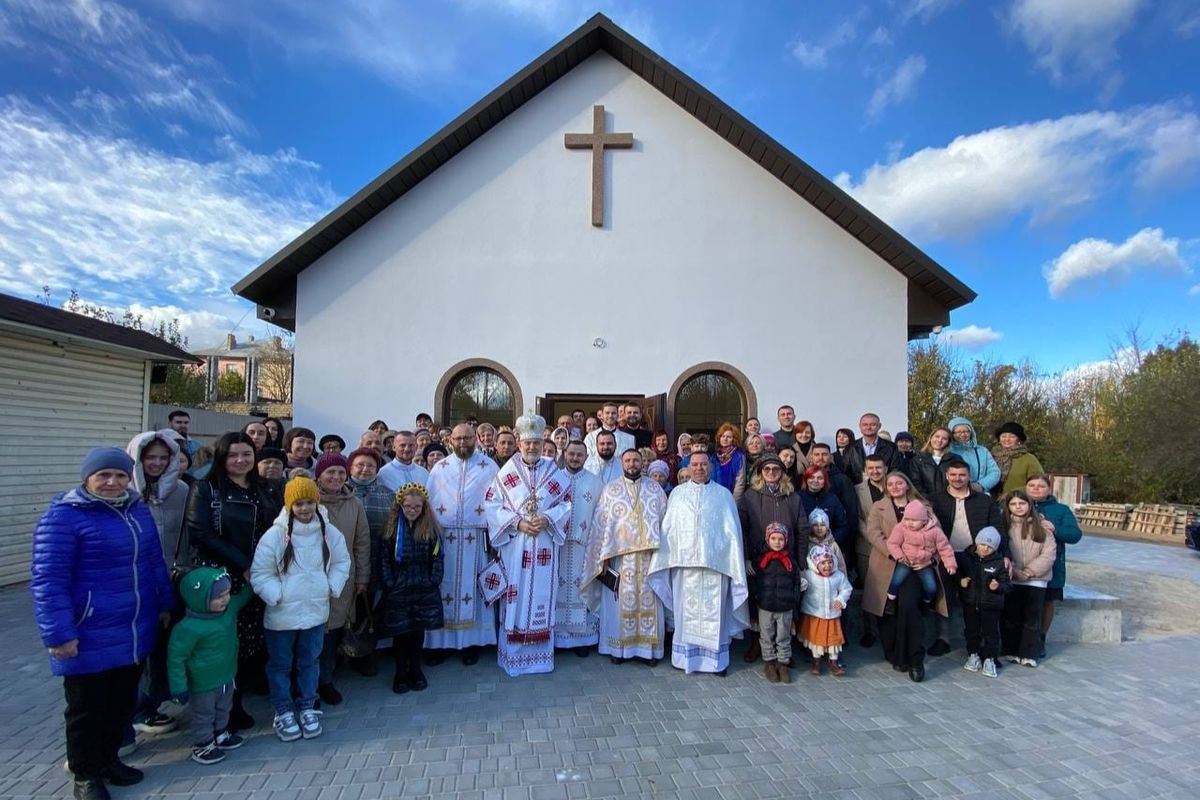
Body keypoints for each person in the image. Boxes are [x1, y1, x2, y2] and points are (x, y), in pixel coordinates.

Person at [31, 447, 174, 800]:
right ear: (88, 479)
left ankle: (109, 760)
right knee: (85, 709)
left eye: (120, 476)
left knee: (121, 702)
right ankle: (85, 774)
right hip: (88, 631)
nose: (113, 482)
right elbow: (48, 581)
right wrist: (59, 634)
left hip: (132, 627)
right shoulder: (64, 517)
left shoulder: (136, 510)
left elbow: (154, 562)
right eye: (104, 476)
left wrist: (164, 603)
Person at [184, 431, 282, 731]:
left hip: (258, 575)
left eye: (247, 454)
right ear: (222, 458)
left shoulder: (263, 487)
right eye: (233, 455)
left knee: (249, 644)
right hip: (222, 579)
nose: (240, 460)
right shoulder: (207, 488)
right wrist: (242, 564)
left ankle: (236, 702)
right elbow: (199, 533)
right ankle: (218, 712)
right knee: (222, 646)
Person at [251, 477, 350, 742]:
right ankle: (283, 710)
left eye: (309, 502)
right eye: (299, 504)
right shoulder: (275, 535)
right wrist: (277, 595)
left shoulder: (329, 532)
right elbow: (261, 572)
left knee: (309, 661)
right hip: (282, 615)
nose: (305, 509)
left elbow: (342, 561)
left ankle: (307, 704)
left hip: (315, 611)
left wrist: (330, 586)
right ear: (289, 505)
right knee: (281, 664)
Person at [484, 412, 572, 676]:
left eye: (536, 443)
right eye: (526, 443)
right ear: (519, 443)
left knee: (543, 594)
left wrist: (547, 518)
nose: (531, 447)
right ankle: (513, 655)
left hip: (544, 542)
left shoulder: (552, 471)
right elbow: (491, 504)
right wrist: (518, 523)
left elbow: (567, 503)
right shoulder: (506, 472)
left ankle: (540, 657)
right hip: (516, 545)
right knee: (516, 596)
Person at [649, 451, 749, 675]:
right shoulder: (677, 494)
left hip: (717, 565)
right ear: (689, 467)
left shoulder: (724, 495)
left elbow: (732, 533)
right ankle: (685, 659)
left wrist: (731, 562)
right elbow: (669, 530)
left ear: (710, 467)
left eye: (704, 464)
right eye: (695, 464)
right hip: (684, 566)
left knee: (717, 614)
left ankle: (716, 663)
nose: (699, 468)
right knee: (686, 613)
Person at [125, 431, 187, 736]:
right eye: (151, 457)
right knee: (133, 652)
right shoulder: (123, 493)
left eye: (164, 458)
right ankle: (130, 712)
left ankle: (149, 707)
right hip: (132, 585)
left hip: (169, 583)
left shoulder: (182, 491)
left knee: (159, 648)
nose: (157, 463)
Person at [581, 449, 668, 665]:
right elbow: (601, 525)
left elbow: (666, 524)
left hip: (649, 558)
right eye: (628, 460)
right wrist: (602, 557)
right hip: (620, 558)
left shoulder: (655, 489)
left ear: (642, 463)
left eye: (636, 460)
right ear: (622, 462)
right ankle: (618, 650)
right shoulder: (611, 490)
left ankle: (649, 652)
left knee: (650, 601)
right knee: (619, 603)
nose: (632, 463)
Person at [425, 424, 499, 664]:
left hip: (476, 539)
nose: (462, 442)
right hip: (445, 539)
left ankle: (472, 643)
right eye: (458, 438)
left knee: (474, 590)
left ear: (475, 439)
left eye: (467, 437)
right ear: (450, 441)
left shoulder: (488, 466)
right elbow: (429, 502)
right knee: (443, 588)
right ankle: (440, 645)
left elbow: (498, 501)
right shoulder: (439, 468)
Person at [167, 567, 251, 764]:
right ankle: (203, 744)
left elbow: (242, 598)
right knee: (203, 713)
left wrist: (251, 584)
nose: (225, 599)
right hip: (202, 681)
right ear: (199, 598)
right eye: (218, 597)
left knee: (224, 707)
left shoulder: (228, 611)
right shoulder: (187, 628)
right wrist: (179, 687)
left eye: (226, 594)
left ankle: (220, 733)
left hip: (227, 674)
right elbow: (176, 659)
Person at [862, 470, 940, 682]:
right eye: (890, 484)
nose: (895, 487)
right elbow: (874, 533)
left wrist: (924, 556)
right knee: (888, 611)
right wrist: (894, 552)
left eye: (899, 483)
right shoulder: (879, 507)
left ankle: (915, 658)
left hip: (916, 566)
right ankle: (895, 653)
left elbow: (936, 533)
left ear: (907, 485)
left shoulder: (923, 507)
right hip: (887, 563)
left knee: (908, 607)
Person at [928, 461, 1006, 656]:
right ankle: (943, 638)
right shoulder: (935, 500)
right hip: (946, 555)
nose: (957, 478)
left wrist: (1005, 557)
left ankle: (978, 641)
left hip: (977, 557)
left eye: (962, 475)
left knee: (977, 599)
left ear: (969, 476)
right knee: (944, 597)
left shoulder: (984, 501)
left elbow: (998, 529)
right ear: (947, 476)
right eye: (953, 474)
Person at [737, 455, 808, 664]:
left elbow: (802, 529)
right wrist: (747, 558)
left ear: (782, 473)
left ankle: (784, 650)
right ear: (760, 473)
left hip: (787, 560)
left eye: (775, 470)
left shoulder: (792, 497)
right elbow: (742, 529)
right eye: (766, 469)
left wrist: (801, 563)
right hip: (759, 561)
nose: (770, 473)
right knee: (759, 601)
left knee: (786, 602)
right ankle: (757, 644)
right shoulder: (750, 497)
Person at [313, 452, 371, 703]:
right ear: (319, 475)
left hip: (344, 577)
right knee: (312, 631)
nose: (336, 477)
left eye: (340, 473)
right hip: (312, 577)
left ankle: (325, 680)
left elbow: (361, 542)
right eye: (330, 473)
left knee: (334, 629)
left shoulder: (353, 503)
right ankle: (307, 684)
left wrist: (362, 577)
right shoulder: (308, 500)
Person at [376, 483, 444, 693]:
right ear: (400, 506)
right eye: (408, 506)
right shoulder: (391, 529)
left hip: (423, 588)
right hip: (399, 589)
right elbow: (384, 560)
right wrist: (389, 584)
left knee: (417, 632)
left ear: (423, 508)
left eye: (417, 507)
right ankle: (400, 672)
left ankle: (416, 669)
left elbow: (437, 557)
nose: (412, 511)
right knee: (401, 633)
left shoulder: (430, 529)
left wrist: (433, 580)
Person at [1025, 474, 1083, 656]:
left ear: (1049, 489)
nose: (1035, 489)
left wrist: (1056, 529)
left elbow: (1075, 535)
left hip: (1051, 565)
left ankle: (1041, 638)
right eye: (1032, 485)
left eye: (1040, 486)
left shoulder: (1060, 509)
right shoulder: (1016, 504)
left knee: (1047, 602)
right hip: (1022, 562)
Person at [346, 446, 392, 669]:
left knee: (368, 610)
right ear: (350, 467)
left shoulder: (386, 493)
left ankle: (365, 653)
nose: (365, 470)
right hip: (344, 563)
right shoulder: (342, 490)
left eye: (370, 466)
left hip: (374, 560)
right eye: (360, 465)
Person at [556, 441, 603, 654]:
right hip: (559, 546)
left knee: (581, 589)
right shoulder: (554, 479)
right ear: (565, 454)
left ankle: (583, 640)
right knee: (559, 589)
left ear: (586, 457)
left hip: (584, 547)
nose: (575, 458)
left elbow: (601, 516)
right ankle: (558, 638)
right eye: (571, 454)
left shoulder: (595, 482)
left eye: (579, 455)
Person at [1001, 490, 1056, 668]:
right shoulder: (1004, 527)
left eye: (1022, 503)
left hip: (1036, 580)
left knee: (1032, 618)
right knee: (1012, 616)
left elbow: (1048, 554)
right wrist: (1015, 571)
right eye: (1014, 504)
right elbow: (1002, 552)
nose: (1018, 507)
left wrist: (1029, 571)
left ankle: (1029, 653)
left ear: (1029, 505)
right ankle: (1012, 650)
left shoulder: (1042, 527)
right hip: (1013, 578)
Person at [754, 522, 806, 683]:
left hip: (785, 606)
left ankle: (783, 663)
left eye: (780, 539)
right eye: (774, 538)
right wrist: (758, 597)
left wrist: (794, 600)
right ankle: (769, 662)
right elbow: (756, 581)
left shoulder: (790, 561)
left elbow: (796, 583)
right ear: (767, 540)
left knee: (783, 636)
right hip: (766, 605)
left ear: (786, 540)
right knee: (766, 635)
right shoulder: (762, 560)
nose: (777, 542)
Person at [957, 527, 1010, 679]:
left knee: (991, 634)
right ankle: (973, 655)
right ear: (976, 543)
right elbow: (957, 574)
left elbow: (1007, 584)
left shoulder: (999, 562)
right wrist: (961, 581)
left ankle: (990, 659)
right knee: (971, 631)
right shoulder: (966, 557)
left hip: (991, 606)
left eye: (990, 546)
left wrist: (998, 586)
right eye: (982, 544)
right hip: (970, 603)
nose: (985, 548)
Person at [885, 501, 957, 612]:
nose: (910, 523)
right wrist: (900, 557)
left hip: (924, 562)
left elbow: (945, 548)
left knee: (931, 587)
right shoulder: (901, 527)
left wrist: (950, 564)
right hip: (906, 560)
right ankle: (890, 600)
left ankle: (926, 602)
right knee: (896, 581)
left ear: (924, 520)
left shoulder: (935, 531)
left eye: (914, 520)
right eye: (907, 519)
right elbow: (892, 543)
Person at [799, 544, 852, 677]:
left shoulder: (838, 576)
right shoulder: (809, 575)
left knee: (833, 639)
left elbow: (847, 588)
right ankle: (816, 661)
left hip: (832, 615)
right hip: (816, 613)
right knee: (817, 639)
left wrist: (840, 599)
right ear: (815, 563)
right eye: (823, 563)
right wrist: (801, 584)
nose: (827, 566)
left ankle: (833, 662)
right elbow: (798, 580)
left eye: (829, 562)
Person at [798, 465, 850, 552]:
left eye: (820, 478)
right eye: (811, 477)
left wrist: (831, 541)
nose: (815, 481)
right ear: (806, 479)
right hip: (804, 547)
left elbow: (842, 525)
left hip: (828, 547)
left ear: (825, 481)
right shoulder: (798, 498)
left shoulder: (832, 499)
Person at [947, 416, 1001, 493]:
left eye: (966, 431)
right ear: (951, 433)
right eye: (958, 432)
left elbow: (994, 472)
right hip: (953, 494)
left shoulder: (982, 451)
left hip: (980, 494)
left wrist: (981, 485)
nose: (963, 434)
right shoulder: (948, 451)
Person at [843, 412, 900, 484]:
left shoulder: (891, 447)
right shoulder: (850, 447)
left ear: (879, 426)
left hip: (884, 488)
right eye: (865, 425)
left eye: (873, 424)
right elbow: (846, 472)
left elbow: (895, 471)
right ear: (860, 426)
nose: (868, 427)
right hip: (858, 490)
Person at [992, 422, 1044, 496]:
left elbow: (1038, 483)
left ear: (1019, 440)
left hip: (1019, 502)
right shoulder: (990, 457)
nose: (1007, 439)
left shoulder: (1029, 459)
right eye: (1003, 436)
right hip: (990, 501)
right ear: (999, 439)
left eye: (1012, 436)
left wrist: (1012, 494)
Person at [907, 427, 961, 497]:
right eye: (937, 436)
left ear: (948, 442)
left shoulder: (955, 459)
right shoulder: (918, 460)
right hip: (925, 502)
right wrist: (927, 500)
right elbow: (915, 483)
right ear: (931, 438)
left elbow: (961, 481)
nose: (939, 440)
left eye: (944, 438)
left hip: (950, 501)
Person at [711, 423, 747, 502]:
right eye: (723, 436)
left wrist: (733, 502)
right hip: (715, 497)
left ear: (734, 439)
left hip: (731, 497)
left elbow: (740, 482)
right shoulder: (714, 456)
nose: (725, 439)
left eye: (729, 437)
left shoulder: (739, 456)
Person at [806, 509, 847, 575]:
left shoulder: (833, 545)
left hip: (833, 581)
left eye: (822, 525)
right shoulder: (808, 545)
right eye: (815, 525)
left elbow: (841, 566)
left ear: (827, 527)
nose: (819, 528)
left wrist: (843, 580)